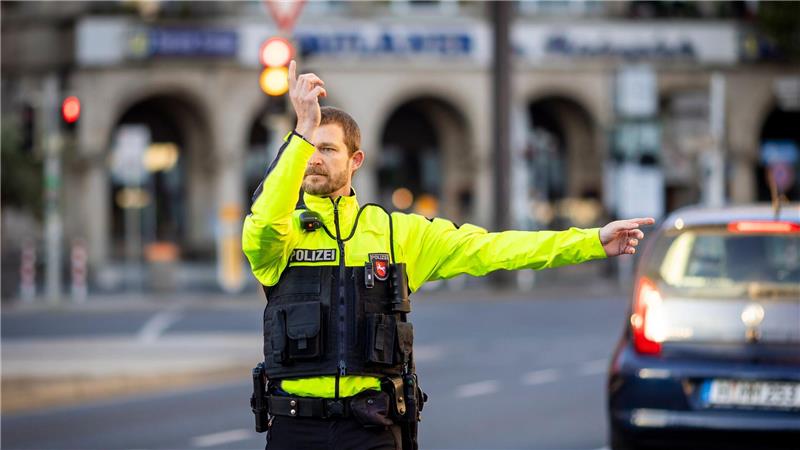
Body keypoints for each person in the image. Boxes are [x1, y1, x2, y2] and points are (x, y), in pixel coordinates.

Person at [242, 61, 655, 450]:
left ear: (356, 162)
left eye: (327, 149)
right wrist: (301, 130)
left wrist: (592, 241)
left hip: (371, 429)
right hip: (296, 429)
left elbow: (494, 249)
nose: (313, 157)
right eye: (306, 148)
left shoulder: (395, 232)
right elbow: (264, 219)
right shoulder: (282, 234)